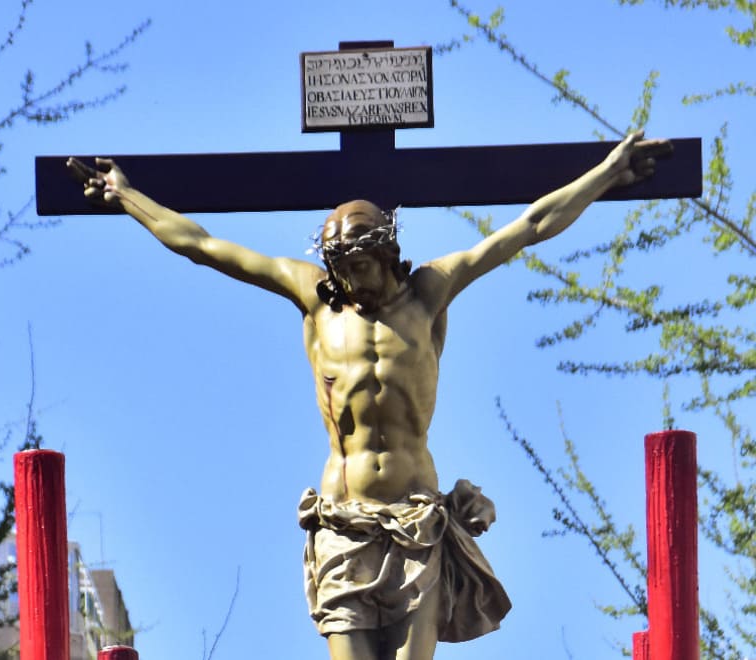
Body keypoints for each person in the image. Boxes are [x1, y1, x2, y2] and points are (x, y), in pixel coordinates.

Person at [67, 131, 672, 660]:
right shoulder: (315, 297)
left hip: (414, 522)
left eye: (356, 266)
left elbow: (530, 226)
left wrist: (607, 173)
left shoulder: (429, 292)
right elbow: (202, 245)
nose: (346, 281)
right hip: (343, 521)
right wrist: (127, 196)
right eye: (337, 267)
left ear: (384, 253)